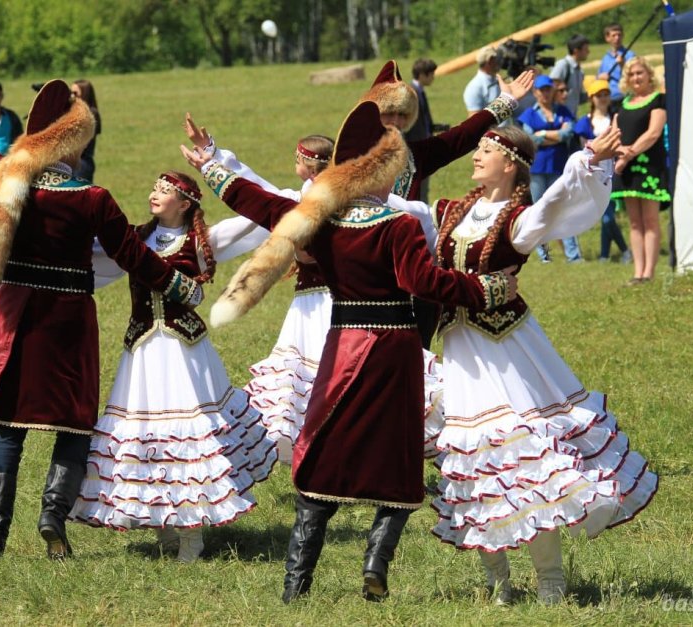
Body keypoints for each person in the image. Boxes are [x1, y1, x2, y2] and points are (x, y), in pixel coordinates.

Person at [182, 101, 517, 603]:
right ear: (379, 173)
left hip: (343, 347)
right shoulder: (397, 225)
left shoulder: (321, 220)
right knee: (400, 460)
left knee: (322, 454)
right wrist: (488, 290)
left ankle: (296, 587)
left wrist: (210, 166)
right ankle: (374, 567)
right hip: (395, 351)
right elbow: (423, 282)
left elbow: (257, 202)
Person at [0, 68, 204, 560]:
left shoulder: (8, 178)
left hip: (14, 318)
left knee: (6, 428)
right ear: (71, 146)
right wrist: (179, 283)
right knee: (73, 426)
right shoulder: (93, 198)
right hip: (69, 325)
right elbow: (133, 256)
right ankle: (52, 520)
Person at [387, 124, 658, 605]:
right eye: (479, 148)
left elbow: (557, 204)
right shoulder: (450, 210)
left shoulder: (518, 219)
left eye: (486, 150)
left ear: (510, 164)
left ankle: (550, 581)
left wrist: (586, 161)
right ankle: (499, 583)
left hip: (508, 350)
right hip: (462, 352)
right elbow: (399, 208)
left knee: (526, 460)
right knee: (473, 458)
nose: (477, 156)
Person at [181, 121, 444, 464]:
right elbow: (258, 197)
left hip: (344, 308)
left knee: (335, 382)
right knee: (327, 385)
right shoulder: (328, 204)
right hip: (339, 308)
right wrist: (214, 160)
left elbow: (257, 195)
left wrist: (213, 163)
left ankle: (351, 454)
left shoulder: (385, 211)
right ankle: (335, 456)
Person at [69, 171, 277, 562]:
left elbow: (256, 216)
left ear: (184, 204)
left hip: (184, 352)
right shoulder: (132, 238)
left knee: (189, 438)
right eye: (153, 188)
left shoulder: (203, 240)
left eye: (164, 192)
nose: (154, 195)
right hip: (143, 352)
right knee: (149, 435)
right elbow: (87, 248)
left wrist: (228, 168)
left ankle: (192, 534)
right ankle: (163, 522)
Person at [360, 60, 533, 347]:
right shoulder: (348, 160)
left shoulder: (414, 155)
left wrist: (505, 102)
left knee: (417, 348)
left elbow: (460, 137)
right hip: (366, 268)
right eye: (389, 113)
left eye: (403, 115)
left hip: (410, 266)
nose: (397, 122)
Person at [612, 57, 671, 284]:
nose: (636, 78)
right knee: (635, 222)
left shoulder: (659, 101)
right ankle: (638, 272)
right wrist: (619, 150)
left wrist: (629, 153)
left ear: (649, 75)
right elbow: (614, 133)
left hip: (649, 169)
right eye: (632, 74)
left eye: (640, 73)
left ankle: (649, 273)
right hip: (627, 170)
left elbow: (653, 133)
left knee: (651, 220)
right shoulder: (622, 104)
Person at [518, 74, 581, 263]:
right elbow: (531, 139)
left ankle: (574, 256)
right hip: (537, 169)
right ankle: (544, 256)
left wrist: (544, 133)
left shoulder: (563, 111)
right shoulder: (528, 114)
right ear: (535, 92)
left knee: (564, 210)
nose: (545, 93)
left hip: (559, 167)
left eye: (548, 89)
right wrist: (555, 134)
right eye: (541, 90)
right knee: (539, 211)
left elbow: (568, 134)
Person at [574, 79, 631, 263]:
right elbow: (584, 150)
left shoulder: (616, 118)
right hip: (593, 171)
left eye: (606, 94)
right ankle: (610, 254)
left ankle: (613, 254)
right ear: (591, 98)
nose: (603, 98)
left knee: (607, 215)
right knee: (603, 214)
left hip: (613, 171)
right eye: (599, 95)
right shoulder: (585, 122)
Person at [404, 58, 449, 204]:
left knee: (423, 187)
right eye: (431, 74)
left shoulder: (420, 91)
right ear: (422, 75)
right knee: (418, 188)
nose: (433, 78)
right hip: (414, 150)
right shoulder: (411, 93)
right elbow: (406, 125)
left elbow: (422, 120)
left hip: (422, 147)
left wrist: (435, 127)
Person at [549, 33, 590, 117]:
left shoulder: (580, 71)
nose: (588, 52)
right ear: (576, 50)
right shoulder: (563, 65)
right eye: (585, 49)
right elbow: (550, 89)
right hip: (559, 117)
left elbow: (578, 97)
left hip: (571, 116)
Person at [597, 23, 636, 107]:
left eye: (619, 35)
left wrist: (623, 65)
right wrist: (601, 78)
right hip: (609, 99)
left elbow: (633, 75)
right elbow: (599, 77)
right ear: (607, 38)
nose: (617, 38)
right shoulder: (605, 58)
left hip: (625, 97)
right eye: (613, 35)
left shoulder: (630, 55)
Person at [70, 79, 100, 182]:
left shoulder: (91, 113)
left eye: (75, 93)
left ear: (85, 93)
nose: (72, 96)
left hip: (81, 162)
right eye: (70, 93)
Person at [463, 46, 501, 118]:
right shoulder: (475, 87)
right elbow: (474, 118)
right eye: (496, 59)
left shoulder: (496, 80)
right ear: (489, 61)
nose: (498, 62)